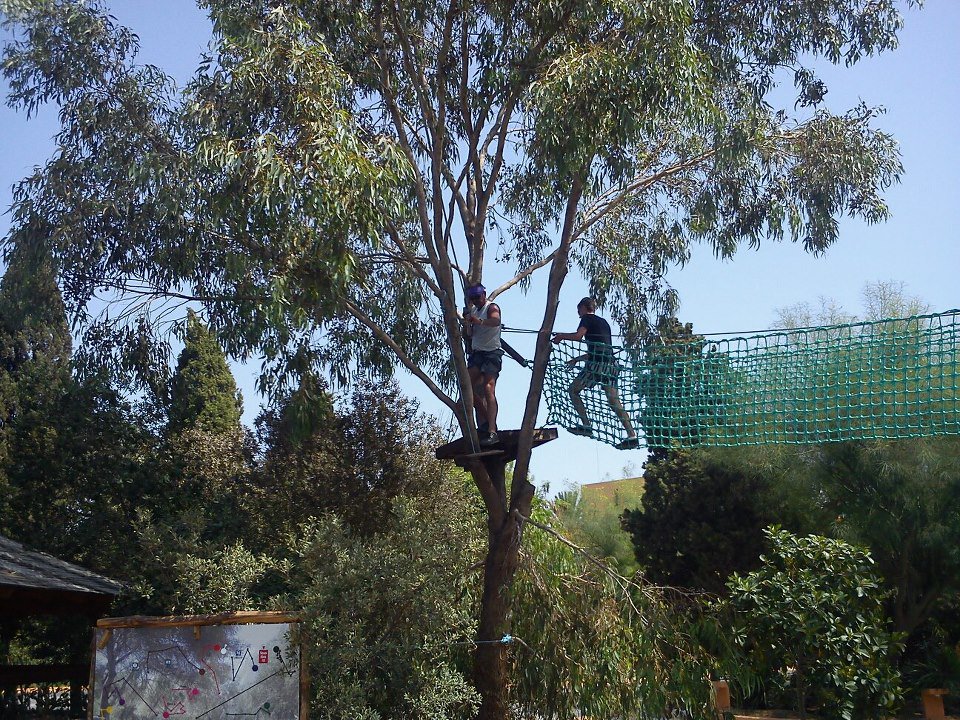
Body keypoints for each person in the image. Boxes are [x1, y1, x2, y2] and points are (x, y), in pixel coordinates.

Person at [551, 297, 639, 450]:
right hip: (610, 364)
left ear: (584, 308)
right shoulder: (603, 322)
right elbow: (600, 348)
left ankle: (586, 425)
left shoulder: (586, 319)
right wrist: (577, 359)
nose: (578, 313)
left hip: (596, 366)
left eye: (579, 309)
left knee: (573, 390)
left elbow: (578, 336)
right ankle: (632, 435)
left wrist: (561, 336)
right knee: (614, 401)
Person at [464, 283, 503, 446]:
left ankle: (492, 431)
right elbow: (469, 334)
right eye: (473, 299)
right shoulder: (472, 310)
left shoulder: (491, 307)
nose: (476, 301)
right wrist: (467, 323)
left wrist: (479, 321)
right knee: (466, 387)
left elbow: (495, 321)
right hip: (477, 354)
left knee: (488, 388)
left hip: (491, 353)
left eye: (478, 297)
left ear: (484, 295)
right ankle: (487, 421)